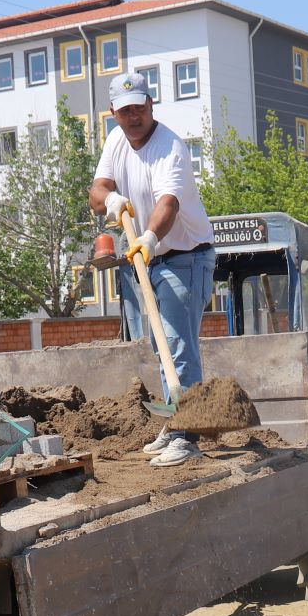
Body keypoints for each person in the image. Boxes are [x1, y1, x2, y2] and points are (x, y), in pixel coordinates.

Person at [88, 69, 216, 468]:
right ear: (113, 112)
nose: (133, 116)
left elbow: (168, 205)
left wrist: (146, 238)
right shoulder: (115, 141)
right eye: (124, 110)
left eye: (138, 107)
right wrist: (109, 200)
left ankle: (187, 433)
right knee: (161, 347)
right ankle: (176, 421)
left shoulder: (170, 147)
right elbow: (96, 190)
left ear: (150, 104)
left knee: (176, 344)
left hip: (185, 255)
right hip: (151, 259)